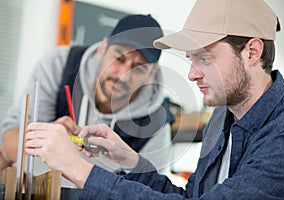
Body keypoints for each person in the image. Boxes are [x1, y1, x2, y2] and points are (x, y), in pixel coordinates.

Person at [24, 0, 284, 199]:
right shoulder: (221, 117)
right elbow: (190, 197)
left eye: (204, 58)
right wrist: (130, 161)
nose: (192, 75)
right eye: (192, 60)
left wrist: (79, 170)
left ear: (252, 52)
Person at [0, 14, 173, 176]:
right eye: (119, 58)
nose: (123, 75)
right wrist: (45, 136)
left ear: (152, 74)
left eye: (138, 68)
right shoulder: (59, 65)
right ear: (102, 48)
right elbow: (8, 146)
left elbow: (150, 191)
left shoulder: (156, 124)